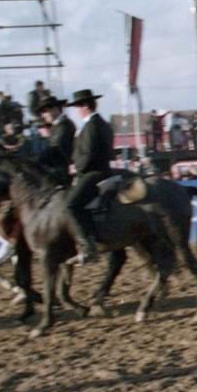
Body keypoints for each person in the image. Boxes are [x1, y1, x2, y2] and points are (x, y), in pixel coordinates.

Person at [65, 89, 114, 263]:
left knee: (71, 205)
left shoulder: (92, 126)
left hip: (94, 173)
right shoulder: (102, 123)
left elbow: (89, 154)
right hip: (100, 170)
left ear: (85, 106)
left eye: (78, 106)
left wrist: (75, 168)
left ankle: (88, 246)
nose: (77, 110)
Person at [36, 95, 75, 181]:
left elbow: (57, 149)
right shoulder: (57, 127)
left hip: (64, 173)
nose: (43, 115)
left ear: (55, 109)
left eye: (45, 111)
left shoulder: (65, 125)